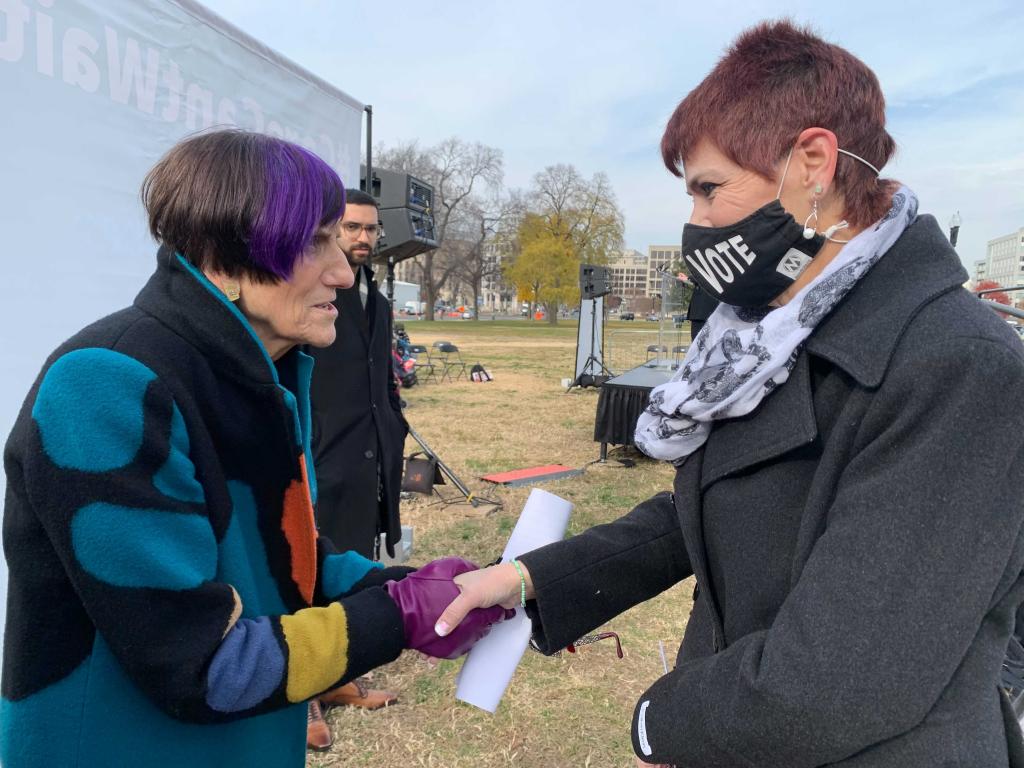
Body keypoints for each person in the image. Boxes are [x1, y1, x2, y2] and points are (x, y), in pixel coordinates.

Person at [438, 21, 1024, 767]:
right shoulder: (775, 338)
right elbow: (716, 506)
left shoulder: (958, 367)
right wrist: (529, 579)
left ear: (813, 163)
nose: (696, 224)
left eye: (710, 189)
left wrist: (660, 719)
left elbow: (838, 682)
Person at [0, 129, 508, 768]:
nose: (344, 273)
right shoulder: (108, 384)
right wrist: (398, 614)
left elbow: (281, 564)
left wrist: (417, 584)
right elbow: (201, 664)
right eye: (315, 242)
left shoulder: (259, 374)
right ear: (225, 261)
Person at [305, 188, 411, 741]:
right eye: (352, 228)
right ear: (330, 231)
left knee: (357, 562)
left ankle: (342, 674)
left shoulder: (379, 297)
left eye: (370, 229)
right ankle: (303, 698)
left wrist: (393, 425)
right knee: (307, 572)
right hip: (325, 457)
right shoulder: (312, 291)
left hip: (373, 458)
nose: (363, 238)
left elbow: (381, 378)